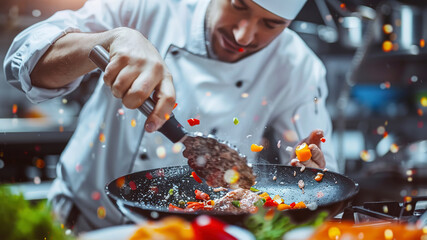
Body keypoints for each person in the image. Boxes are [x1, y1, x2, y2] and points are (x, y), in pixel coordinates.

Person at [4, 0, 338, 233]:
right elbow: (22, 64)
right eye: (238, 5)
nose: (243, 36)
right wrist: (111, 40)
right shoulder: (148, 7)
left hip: (201, 233)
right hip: (85, 226)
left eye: (271, 24)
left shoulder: (298, 66)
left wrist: (310, 175)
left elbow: (322, 176)